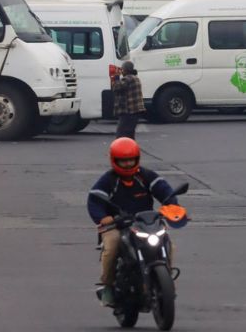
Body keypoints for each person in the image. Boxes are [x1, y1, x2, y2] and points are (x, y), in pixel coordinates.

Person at [86, 137, 181, 307]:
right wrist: (102, 218)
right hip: (117, 225)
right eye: (123, 161)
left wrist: (172, 206)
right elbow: (94, 199)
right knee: (112, 245)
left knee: (168, 242)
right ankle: (108, 285)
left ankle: (167, 279)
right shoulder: (109, 180)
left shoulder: (145, 176)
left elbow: (164, 190)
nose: (128, 164)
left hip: (146, 222)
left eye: (131, 160)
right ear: (114, 161)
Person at [104, 62, 145, 139]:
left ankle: (121, 149)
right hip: (135, 111)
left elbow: (116, 87)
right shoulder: (135, 78)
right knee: (129, 134)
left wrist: (116, 76)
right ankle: (131, 149)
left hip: (129, 111)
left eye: (122, 69)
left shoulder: (128, 78)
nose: (121, 71)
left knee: (121, 133)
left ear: (125, 70)